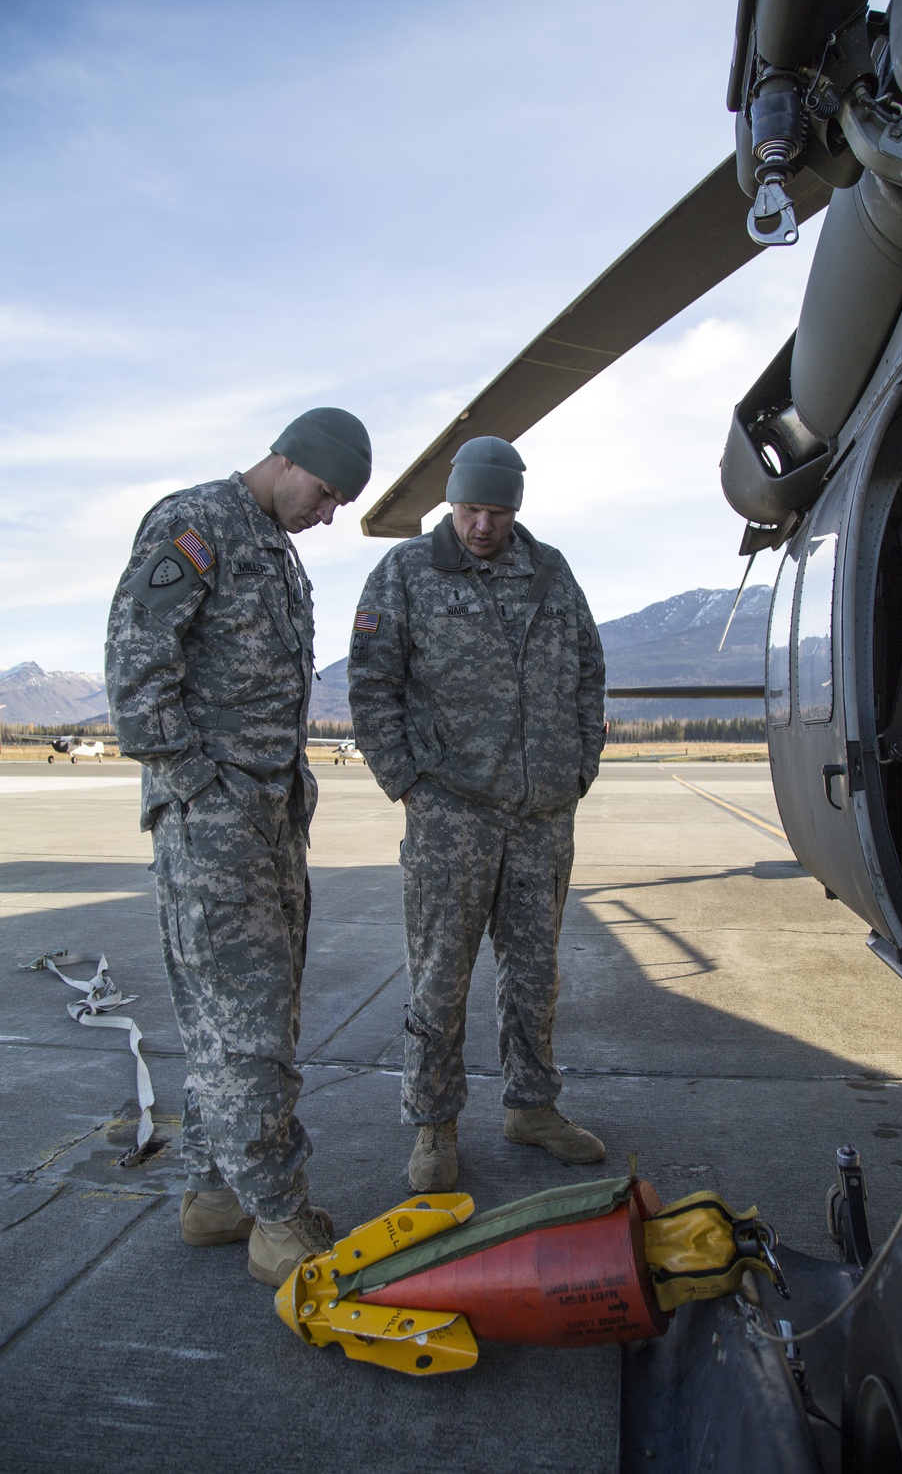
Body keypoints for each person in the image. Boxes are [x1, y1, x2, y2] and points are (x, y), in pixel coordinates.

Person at [105, 408, 372, 1286]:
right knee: (252, 1025)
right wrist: (199, 790)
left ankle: (215, 1195)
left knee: (236, 1018)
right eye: (326, 493)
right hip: (219, 823)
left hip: (271, 818)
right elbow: (136, 671)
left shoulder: (272, 547)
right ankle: (281, 1221)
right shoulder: (197, 525)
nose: (327, 515)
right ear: (288, 459)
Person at [348, 434, 607, 1191]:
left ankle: (532, 1105)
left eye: (496, 511)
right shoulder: (406, 572)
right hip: (451, 814)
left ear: (515, 508)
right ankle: (434, 1125)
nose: (482, 526)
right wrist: (409, 786)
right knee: (440, 976)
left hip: (542, 814)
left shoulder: (550, 573)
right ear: (450, 502)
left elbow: (589, 671)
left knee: (536, 972)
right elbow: (371, 687)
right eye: (469, 509)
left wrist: (579, 765)